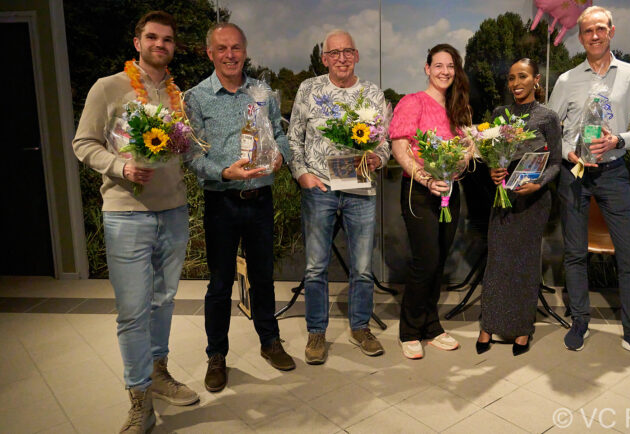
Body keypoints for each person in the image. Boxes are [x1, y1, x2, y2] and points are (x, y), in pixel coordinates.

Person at [72, 11, 199, 433]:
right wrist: (120, 167)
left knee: (164, 301)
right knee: (132, 311)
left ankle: (159, 373)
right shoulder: (108, 87)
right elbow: (83, 143)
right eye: (152, 37)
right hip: (126, 214)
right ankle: (139, 398)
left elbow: (187, 150)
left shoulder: (178, 96)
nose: (160, 44)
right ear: (137, 43)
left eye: (168, 39)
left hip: (173, 210)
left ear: (174, 47)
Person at [547, 6, 630, 367]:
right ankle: (580, 321)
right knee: (574, 253)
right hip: (575, 173)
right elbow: (550, 131)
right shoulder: (567, 80)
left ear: (611, 31)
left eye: (600, 28)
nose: (594, 35)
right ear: (580, 36)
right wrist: (568, 154)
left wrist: (619, 140)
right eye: (588, 31)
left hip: (614, 173)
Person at [186, 22, 295, 392]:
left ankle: (270, 341)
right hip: (221, 202)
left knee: (263, 278)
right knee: (219, 284)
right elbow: (192, 155)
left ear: (245, 51)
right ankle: (217, 355)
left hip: (260, 200)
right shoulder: (197, 97)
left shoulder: (263, 92)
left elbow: (279, 134)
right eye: (222, 48)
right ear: (210, 53)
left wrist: (281, 155)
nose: (230, 55)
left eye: (236, 48)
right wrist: (223, 173)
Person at [288, 29, 390, 365]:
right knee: (316, 267)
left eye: (348, 51)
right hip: (319, 188)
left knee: (362, 267)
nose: (341, 58)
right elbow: (294, 139)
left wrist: (379, 159)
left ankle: (360, 328)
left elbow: (384, 143)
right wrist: (301, 174)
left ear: (357, 55)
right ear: (324, 59)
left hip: (360, 189)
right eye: (334, 53)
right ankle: (317, 332)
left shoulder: (372, 93)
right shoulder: (309, 89)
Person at [389, 44, 472, 359]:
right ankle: (409, 331)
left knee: (439, 261)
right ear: (427, 68)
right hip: (419, 191)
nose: (445, 72)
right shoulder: (412, 102)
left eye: (450, 66)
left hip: (450, 191)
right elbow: (400, 148)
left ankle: (431, 326)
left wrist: (462, 160)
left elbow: (467, 147)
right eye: (438, 65)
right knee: (425, 260)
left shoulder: (459, 107)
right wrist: (426, 178)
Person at [476, 58, 562, 356]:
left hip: (533, 201)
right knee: (497, 261)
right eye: (511, 78)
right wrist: (493, 169)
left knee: (525, 264)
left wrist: (539, 184)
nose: (516, 83)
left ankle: (523, 329)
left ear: (536, 80)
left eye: (522, 76)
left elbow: (555, 163)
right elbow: (492, 155)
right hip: (504, 197)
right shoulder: (500, 114)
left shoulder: (548, 117)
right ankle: (488, 325)